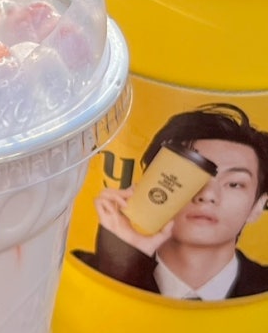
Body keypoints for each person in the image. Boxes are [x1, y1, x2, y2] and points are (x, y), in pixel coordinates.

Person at [75, 103, 268, 299]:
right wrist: (123, 257)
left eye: (234, 184)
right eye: (190, 175)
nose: (207, 195)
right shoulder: (81, 267)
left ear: (258, 205)